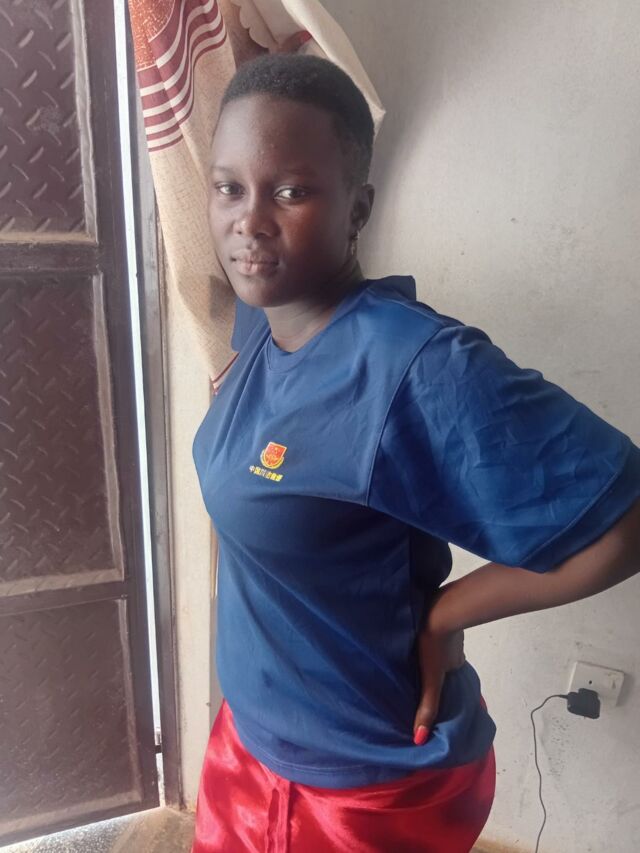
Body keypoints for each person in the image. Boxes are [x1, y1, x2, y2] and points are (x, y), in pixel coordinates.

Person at [190, 53, 640, 853]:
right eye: (229, 187)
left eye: (290, 192)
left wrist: (446, 614)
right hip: (256, 737)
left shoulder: (416, 368)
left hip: (351, 784)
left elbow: (625, 523)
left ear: (357, 207)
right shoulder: (266, 316)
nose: (248, 221)